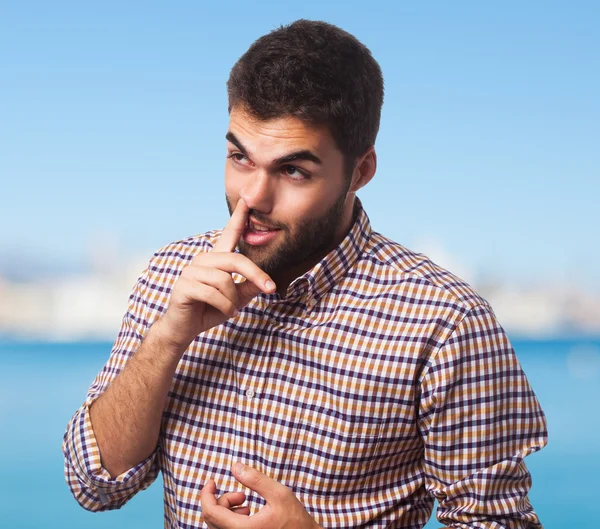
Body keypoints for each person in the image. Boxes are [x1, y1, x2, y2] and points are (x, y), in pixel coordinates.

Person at [63, 19, 547, 529]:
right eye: (239, 158)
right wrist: (166, 339)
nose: (253, 198)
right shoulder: (173, 275)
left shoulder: (445, 322)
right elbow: (92, 484)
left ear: (360, 172)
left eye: (293, 171)